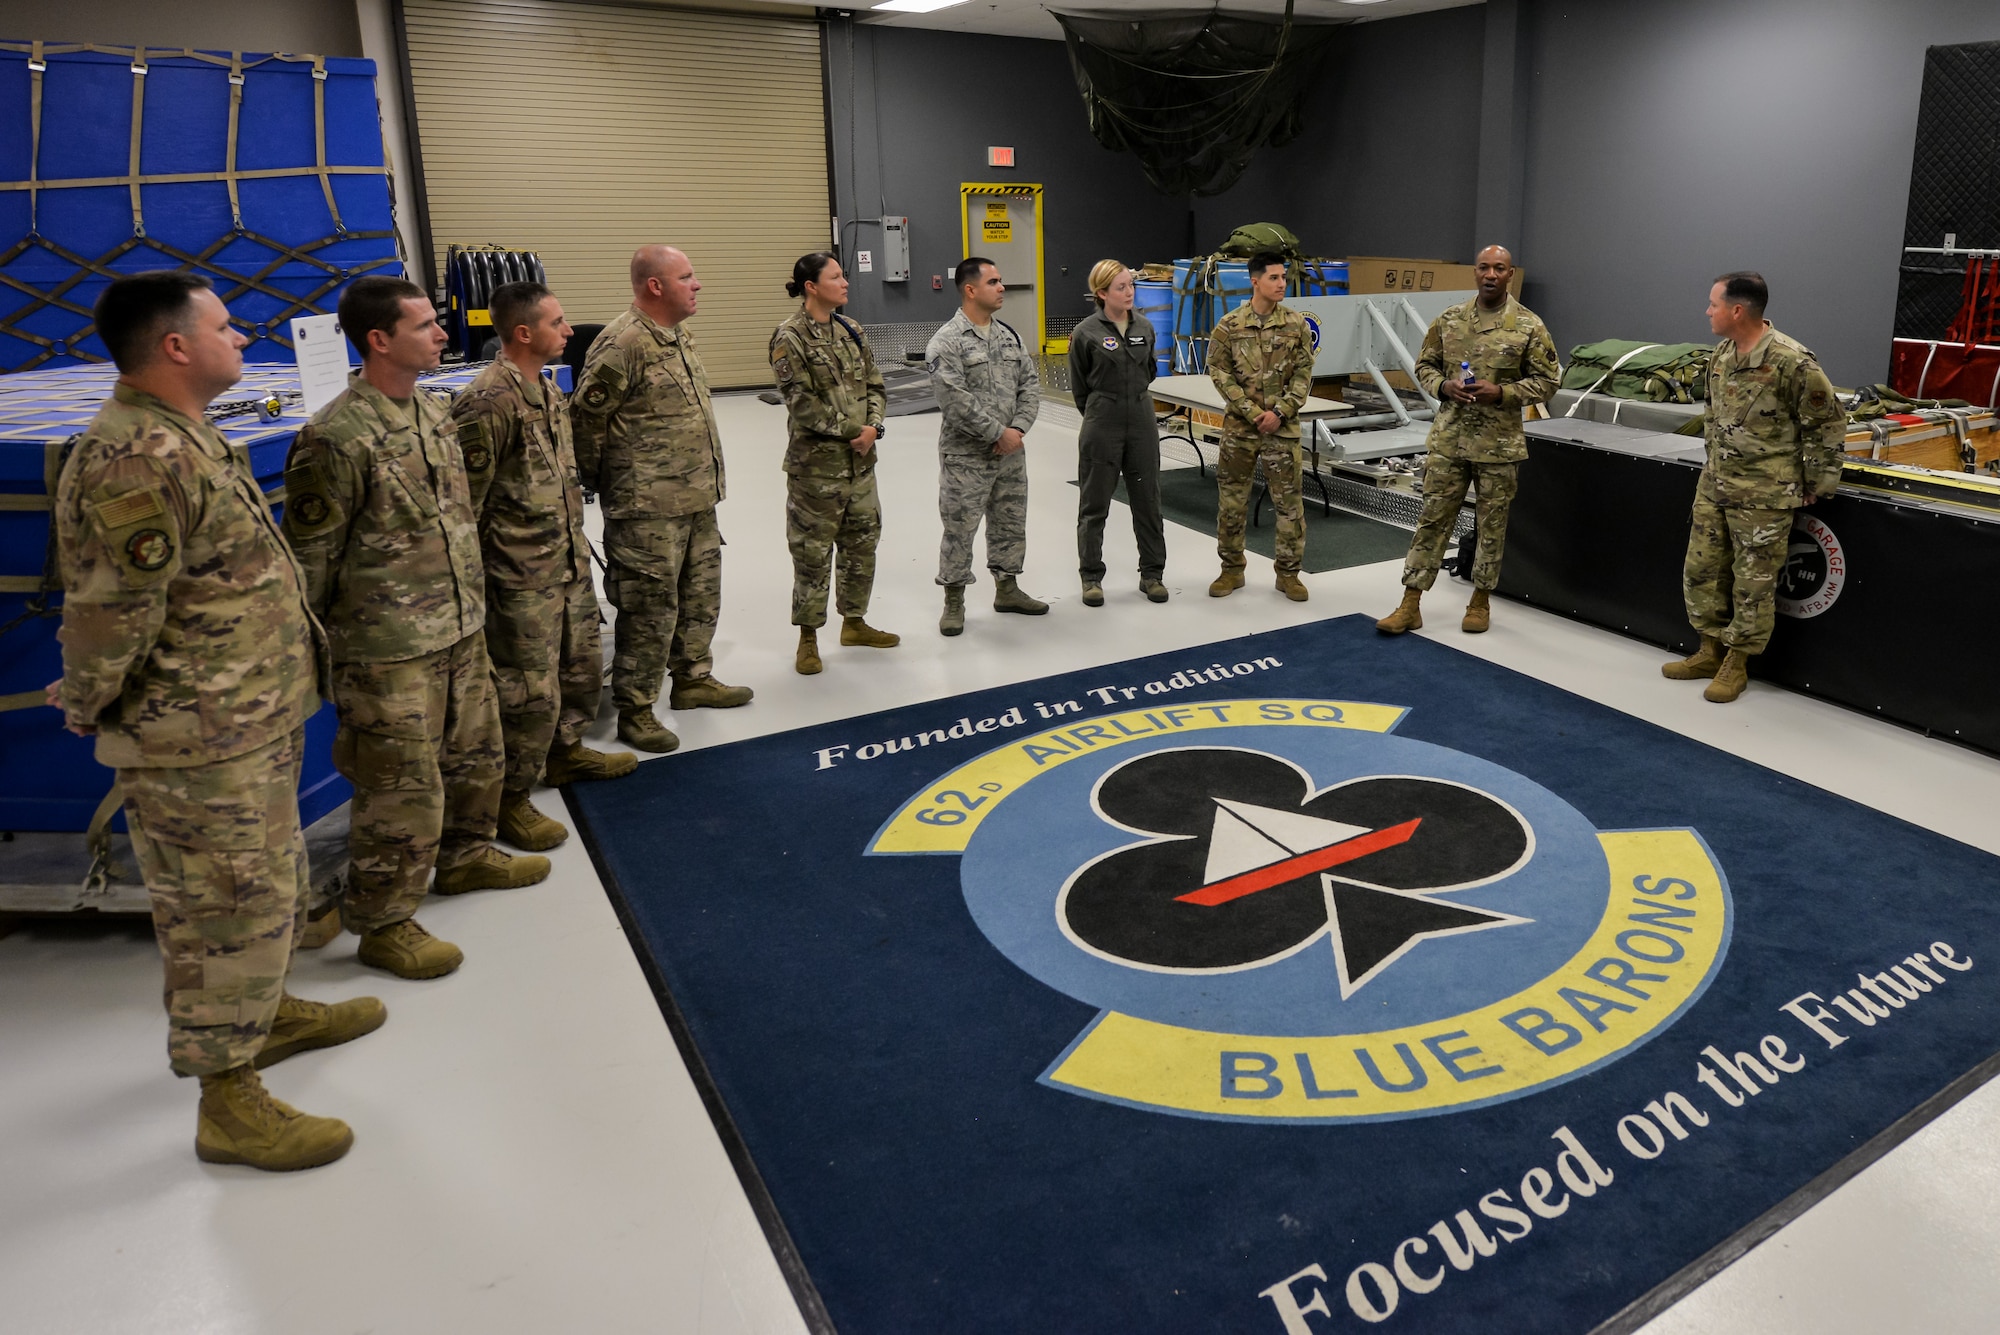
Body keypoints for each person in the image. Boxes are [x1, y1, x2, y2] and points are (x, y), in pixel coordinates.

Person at [51, 273, 381, 1170]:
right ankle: (227, 1099)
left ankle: (264, 1017)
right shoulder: (134, 457)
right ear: (175, 346)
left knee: (266, 885)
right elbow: (112, 608)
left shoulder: (186, 435)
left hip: (244, 715)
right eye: (226, 327)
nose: (243, 338)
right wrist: (89, 698)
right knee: (218, 907)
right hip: (192, 734)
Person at [282, 276, 549, 983]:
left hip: (459, 624)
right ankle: (384, 921)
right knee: (400, 787)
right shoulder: (335, 438)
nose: (442, 333)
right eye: (426, 324)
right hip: (387, 647)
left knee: (476, 755)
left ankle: (463, 857)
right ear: (379, 339)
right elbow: (308, 564)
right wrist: (312, 666)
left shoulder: (432, 414)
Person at [451, 281, 636, 853]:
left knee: (577, 668)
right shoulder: (487, 402)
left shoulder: (549, 391)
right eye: (557, 322)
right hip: (517, 575)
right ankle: (509, 798)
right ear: (524, 333)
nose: (568, 330)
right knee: (524, 690)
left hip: (565, 560)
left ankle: (565, 752)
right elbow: (467, 503)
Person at [572, 245, 751, 751]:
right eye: (687, 276)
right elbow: (586, 425)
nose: (697, 284)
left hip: (694, 496)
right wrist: (608, 487)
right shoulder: (621, 344)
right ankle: (636, 707)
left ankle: (692, 678)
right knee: (649, 608)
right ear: (656, 285)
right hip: (646, 508)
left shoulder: (676, 336)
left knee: (699, 595)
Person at [1661, 272, 1843, 703]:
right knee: (1701, 571)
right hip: (1715, 486)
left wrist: (1816, 481)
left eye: (1713, 304)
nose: (1707, 311)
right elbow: (1711, 413)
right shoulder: (1721, 354)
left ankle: (1737, 663)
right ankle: (1709, 648)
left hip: (1764, 495)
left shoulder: (1791, 361)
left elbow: (1828, 423)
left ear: (1737, 310)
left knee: (1753, 583)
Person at [1375, 245, 1561, 635]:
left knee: (1491, 524)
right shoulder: (1450, 319)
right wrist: (1444, 386)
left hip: (1498, 446)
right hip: (1450, 440)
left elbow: (1549, 381)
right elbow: (1423, 364)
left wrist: (1504, 393)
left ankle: (1480, 601)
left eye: (1499, 268)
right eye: (1483, 268)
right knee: (1432, 520)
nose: (1490, 274)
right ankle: (1410, 602)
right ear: (1475, 273)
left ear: (1510, 275)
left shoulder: (1529, 325)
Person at [769, 253, 899, 674]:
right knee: (812, 552)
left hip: (861, 465)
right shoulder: (789, 338)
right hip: (816, 471)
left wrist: (874, 427)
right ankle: (808, 637)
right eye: (837, 276)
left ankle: (854, 623)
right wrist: (853, 432)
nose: (845, 283)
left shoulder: (851, 329)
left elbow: (877, 384)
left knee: (862, 545)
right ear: (811, 286)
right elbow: (802, 405)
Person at [925, 255, 1045, 636]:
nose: (1002, 287)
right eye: (993, 282)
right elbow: (955, 401)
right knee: (960, 528)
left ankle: (1007, 588)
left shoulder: (1010, 336)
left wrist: (1019, 430)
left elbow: (1030, 385)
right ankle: (954, 600)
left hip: (1011, 452)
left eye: (1001, 280)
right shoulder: (947, 342)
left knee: (1010, 522)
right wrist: (999, 433)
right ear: (970, 289)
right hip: (967, 456)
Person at [1206, 252, 1315, 602]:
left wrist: (1279, 412)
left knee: (1289, 505)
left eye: (1283, 277)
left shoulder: (1297, 325)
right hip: (1241, 429)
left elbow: (1304, 375)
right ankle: (1231, 570)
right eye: (1273, 277)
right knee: (1232, 502)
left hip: (1282, 430)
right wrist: (1252, 412)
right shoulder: (1230, 325)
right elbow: (1219, 372)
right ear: (1255, 281)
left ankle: (1288, 574)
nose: (1281, 283)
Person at [1068, 260, 1168, 606]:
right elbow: (1079, 386)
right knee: (1094, 504)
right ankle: (1091, 577)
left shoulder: (1145, 327)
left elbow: (1150, 371)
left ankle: (1152, 574)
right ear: (1102, 293)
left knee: (1148, 502)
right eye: (1121, 287)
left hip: (1141, 418)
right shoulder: (1086, 333)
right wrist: (1101, 412)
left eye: (1131, 285)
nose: (1130, 292)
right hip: (1102, 422)